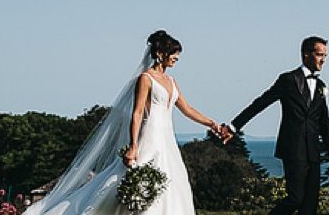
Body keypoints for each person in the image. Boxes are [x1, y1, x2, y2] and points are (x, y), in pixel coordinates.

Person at [23, 30, 231, 215]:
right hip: (149, 136)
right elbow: (138, 112)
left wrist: (212, 124)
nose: (177, 57)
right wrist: (133, 146)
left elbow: (188, 109)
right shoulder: (146, 78)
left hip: (167, 139)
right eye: (174, 53)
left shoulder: (172, 82)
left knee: (172, 183)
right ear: (160, 53)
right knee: (132, 179)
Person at [228, 36, 329, 215]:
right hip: (293, 148)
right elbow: (261, 103)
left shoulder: (321, 86)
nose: (324, 60)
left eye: (325, 55)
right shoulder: (288, 80)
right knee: (295, 198)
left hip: (313, 150)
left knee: (310, 205)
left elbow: (324, 120)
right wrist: (234, 127)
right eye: (320, 55)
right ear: (306, 55)